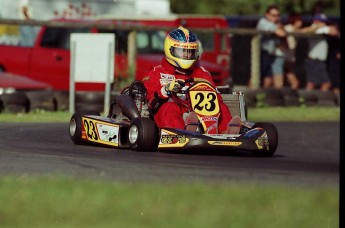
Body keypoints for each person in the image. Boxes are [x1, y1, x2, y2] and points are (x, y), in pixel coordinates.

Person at [142, 26, 241, 134]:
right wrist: (165, 90)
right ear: (170, 50)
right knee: (169, 107)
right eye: (183, 51)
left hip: (197, 112)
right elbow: (150, 103)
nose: (187, 55)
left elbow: (214, 97)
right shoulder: (156, 72)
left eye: (190, 51)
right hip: (169, 112)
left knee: (220, 106)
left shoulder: (201, 73)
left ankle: (225, 133)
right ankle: (181, 133)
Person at [304, 13, 339, 91]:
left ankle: (313, 101)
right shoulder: (313, 29)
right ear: (316, 21)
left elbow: (334, 32)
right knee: (314, 83)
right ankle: (308, 100)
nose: (324, 24)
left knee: (317, 83)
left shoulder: (322, 30)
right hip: (314, 60)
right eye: (322, 22)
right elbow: (332, 31)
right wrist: (317, 26)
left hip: (319, 60)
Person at [256, 5, 286, 89]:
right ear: (267, 15)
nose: (276, 18)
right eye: (273, 15)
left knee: (268, 78)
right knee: (255, 77)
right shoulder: (263, 22)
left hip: (269, 54)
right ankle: (248, 98)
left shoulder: (273, 24)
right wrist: (278, 26)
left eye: (278, 15)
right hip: (260, 53)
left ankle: (262, 98)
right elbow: (281, 33)